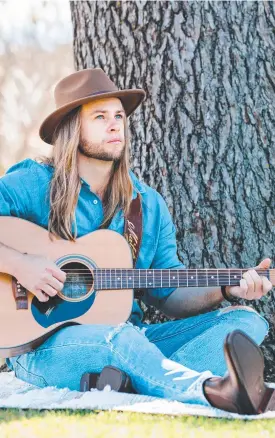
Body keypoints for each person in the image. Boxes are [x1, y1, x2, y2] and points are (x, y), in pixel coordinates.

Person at [0, 68, 274, 414]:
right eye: (100, 117)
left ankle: (125, 381)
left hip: (133, 336)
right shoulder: (33, 184)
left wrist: (227, 289)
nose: (116, 125)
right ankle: (207, 390)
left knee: (246, 321)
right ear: (71, 128)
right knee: (120, 338)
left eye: (119, 116)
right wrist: (21, 265)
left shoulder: (146, 204)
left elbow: (171, 293)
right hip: (44, 348)